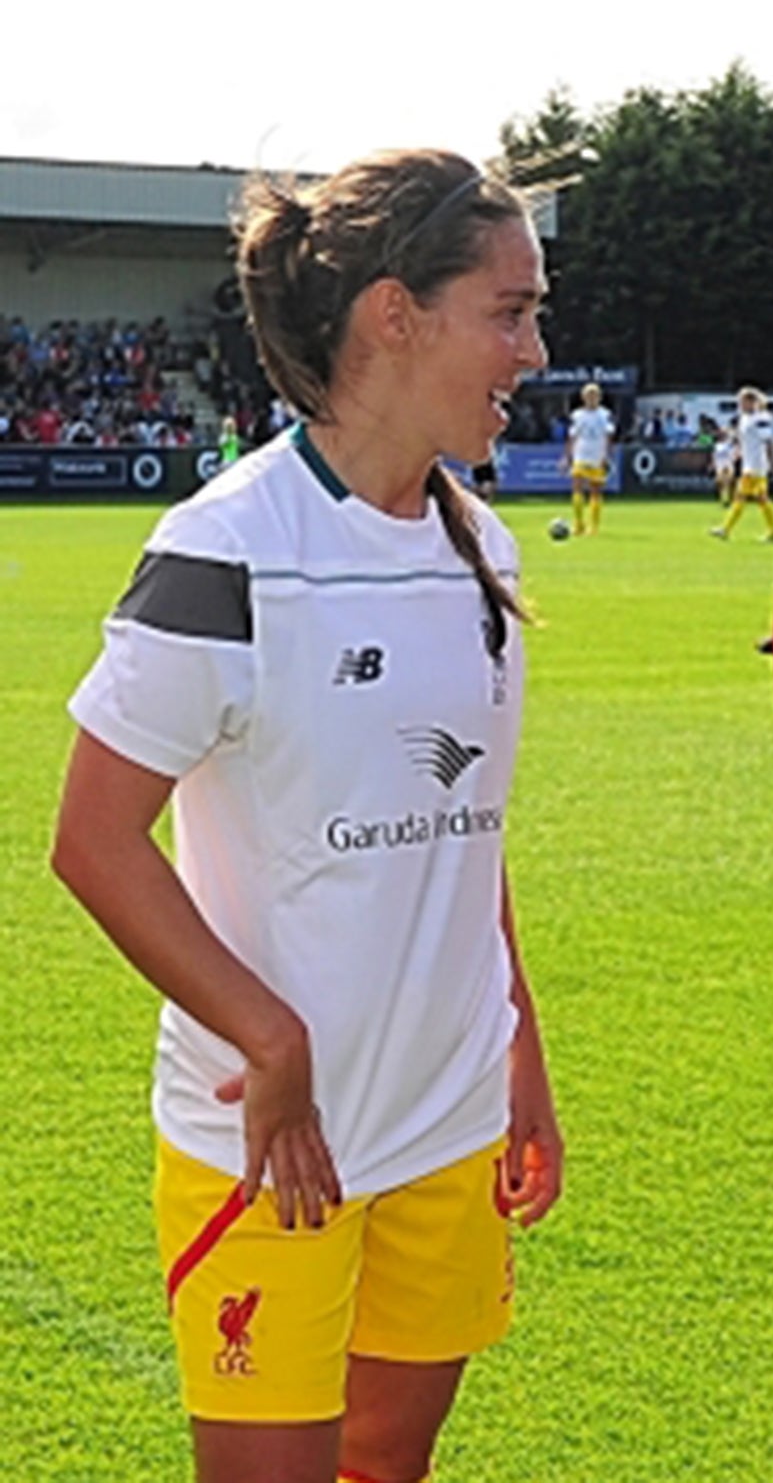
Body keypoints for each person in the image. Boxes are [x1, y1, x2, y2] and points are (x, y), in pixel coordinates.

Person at [50, 148, 564, 1483]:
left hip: (446, 1116)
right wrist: (269, 1039)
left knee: (388, 1461)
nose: (535, 349)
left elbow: (467, 826)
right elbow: (92, 841)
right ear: (397, 314)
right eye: (508, 313)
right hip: (274, 1139)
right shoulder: (227, 552)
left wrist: (521, 1058)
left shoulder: (482, 547)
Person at [709, 384, 773, 541]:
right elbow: (745, 441)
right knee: (762, 499)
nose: (740, 405)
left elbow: (768, 442)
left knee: (740, 496)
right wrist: (738, 453)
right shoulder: (744, 419)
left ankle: (725, 529)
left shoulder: (760, 418)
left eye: (742, 401)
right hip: (749, 464)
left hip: (756, 465)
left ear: (750, 402)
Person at [562, 380, 613, 534]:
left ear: (599, 398)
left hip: (597, 455)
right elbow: (572, 437)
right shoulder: (577, 415)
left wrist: (607, 456)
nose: (592, 399)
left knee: (595, 490)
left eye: (595, 396)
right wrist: (567, 456)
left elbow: (609, 436)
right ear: (583, 398)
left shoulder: (605, 415)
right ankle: (578, 524)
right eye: (589, 396)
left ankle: (594, 526)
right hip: (581, 453)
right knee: (577, 486)